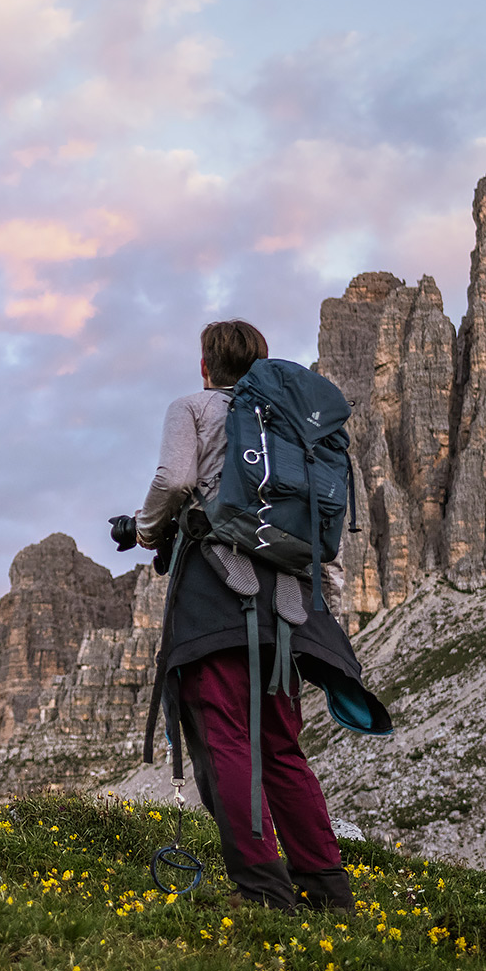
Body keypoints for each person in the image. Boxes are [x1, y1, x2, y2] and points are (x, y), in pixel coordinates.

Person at [136, 318, 368, 913]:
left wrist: (143, 530)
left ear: (206, 366)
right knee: (281, 744)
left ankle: (264, 889)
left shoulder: (192, 406)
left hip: (216, 595)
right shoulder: (289, 423)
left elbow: (175, 479)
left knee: (225, 739)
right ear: (264, 363)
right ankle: (327, 887)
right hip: (287, 605)